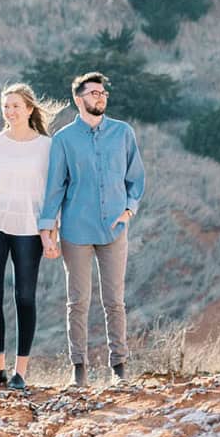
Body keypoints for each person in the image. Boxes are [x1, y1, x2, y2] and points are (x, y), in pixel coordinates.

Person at [38, 71, 145, 387]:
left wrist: (129, 210)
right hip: (76, 230)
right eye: (94, 93)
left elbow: (135, 178)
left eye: (103, 93)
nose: (101, 97)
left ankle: (119, 367)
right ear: (79, 99)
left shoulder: (123, 133)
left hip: (114, 230)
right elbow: (54, 188)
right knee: (78, 301)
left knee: (114, 300)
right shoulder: (63, 140)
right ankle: (79, 368)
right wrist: (48, 231)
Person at [0, 82, 59, 391]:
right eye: (6, 106)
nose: (10, 111)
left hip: (30, 230)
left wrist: (50, 232)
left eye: (16, 105)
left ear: (29, 109)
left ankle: (20, 371)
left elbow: (52, 192)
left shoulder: (46, 146)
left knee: (24, 298)